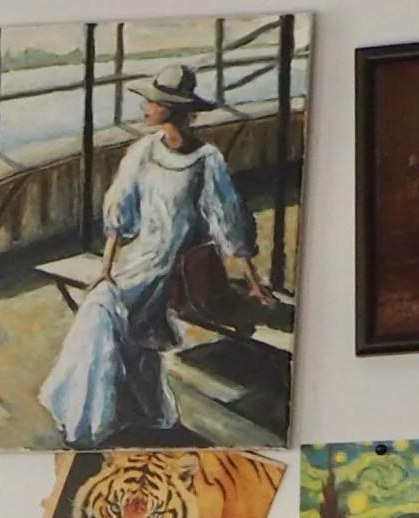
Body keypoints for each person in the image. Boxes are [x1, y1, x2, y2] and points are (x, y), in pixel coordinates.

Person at [38, 63, 268, 448]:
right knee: (102, 307)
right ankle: (109, 414)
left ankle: (103, 418)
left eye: (155, 101)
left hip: (174, 270)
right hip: (138, 261)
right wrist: (106, 268)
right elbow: (119, 211)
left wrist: (255, 284)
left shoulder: (207, 160)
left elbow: (229, 220)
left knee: (107, 318)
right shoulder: (143, 150)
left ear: (174, 109)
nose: (146, 106)